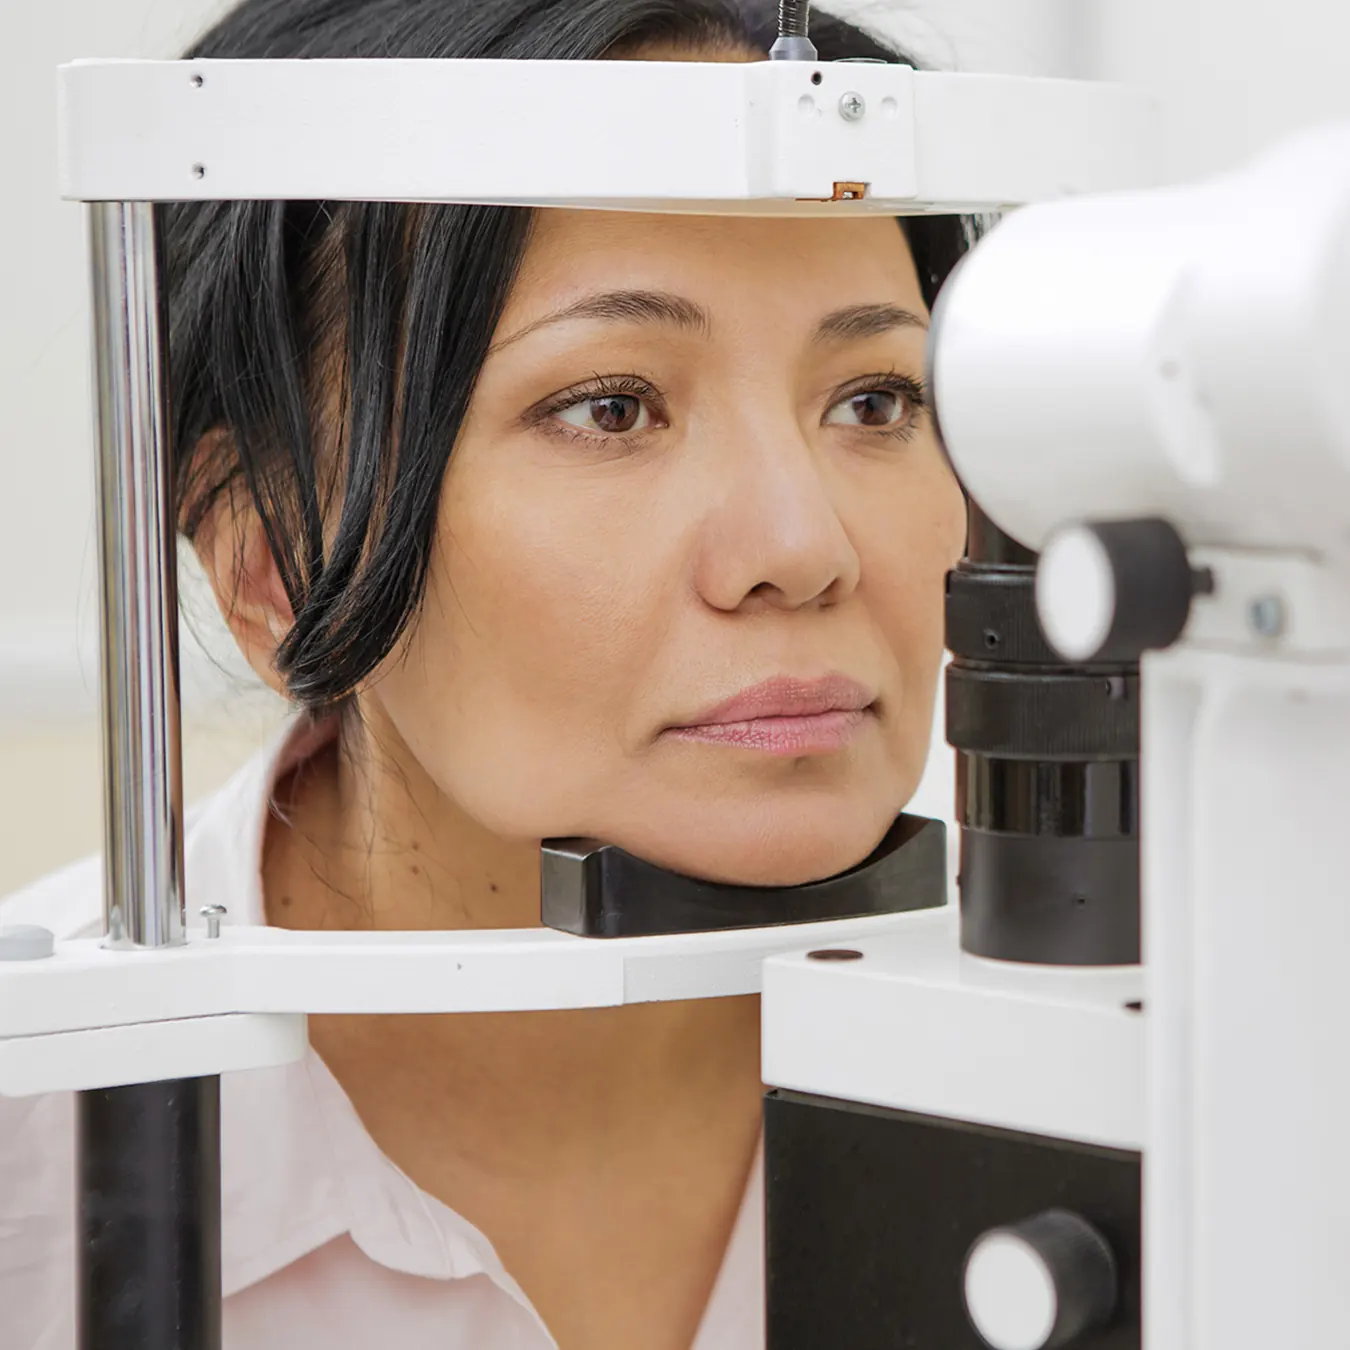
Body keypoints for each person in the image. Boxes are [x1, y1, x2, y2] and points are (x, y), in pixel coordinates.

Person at [0, 0, 969, 1345]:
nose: (799, 550)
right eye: (611, 406)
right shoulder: (29, 1147)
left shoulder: (1154, 1065)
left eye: (874, 399)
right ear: (272, 560)